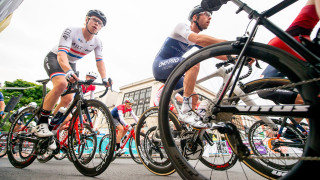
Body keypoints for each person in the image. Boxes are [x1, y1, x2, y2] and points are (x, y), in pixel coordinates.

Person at [37, 10, 111, 150]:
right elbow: (62, 54)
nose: (96, 24)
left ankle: (51, 128)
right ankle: (42, 122)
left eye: (100, 23)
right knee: (62, 83)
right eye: (94, 20)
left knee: (67, 100)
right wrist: (68, 71)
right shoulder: (71, 31)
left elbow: (100, 61)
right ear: (87, 19)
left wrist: (105, 78)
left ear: (101, 28)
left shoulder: (97, 42)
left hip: (71, 63)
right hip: (56, 57)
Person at [152, 5, 228, 128]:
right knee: (193, 62)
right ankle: (186, 110)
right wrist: (229, 44)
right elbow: (198, 39)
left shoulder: (196, 40)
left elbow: (216, 52)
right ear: (195, 17)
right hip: (160, 66)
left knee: (195, 97)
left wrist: (236, 57)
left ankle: (185, 127)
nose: (210, 18)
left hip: (173, 71)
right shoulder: (182, 27)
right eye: (207, 14)